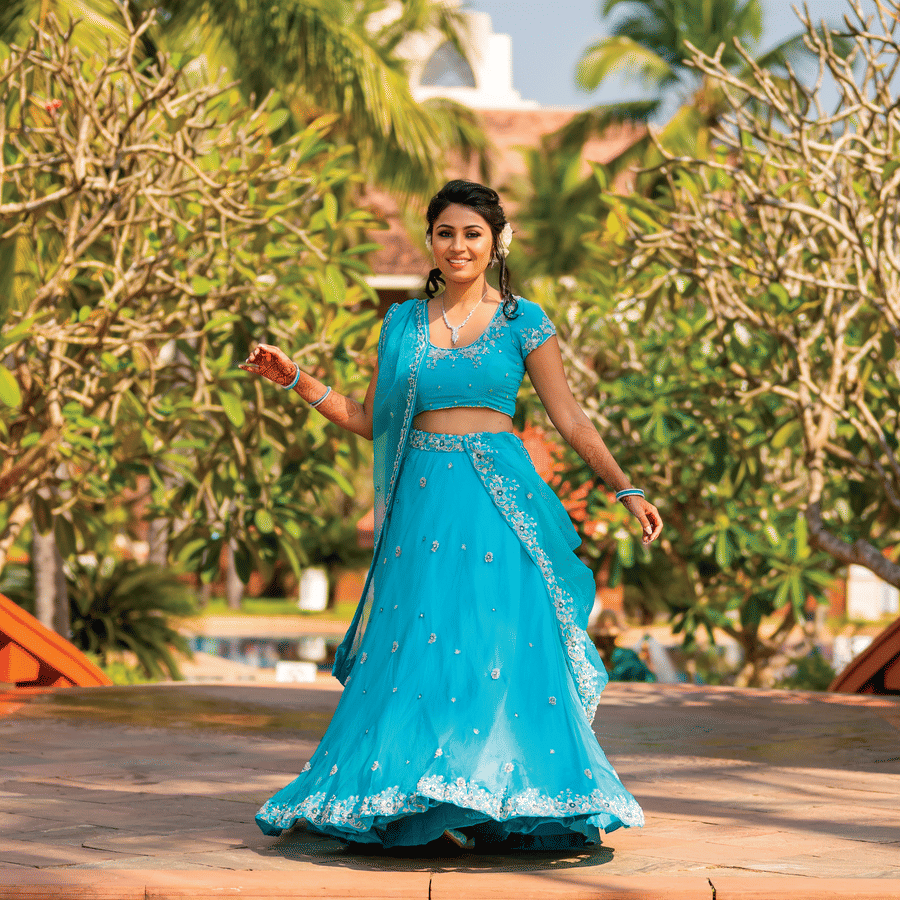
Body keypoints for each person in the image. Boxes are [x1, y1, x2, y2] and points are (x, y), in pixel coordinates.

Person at [241, 180, 662, 851]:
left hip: (500, 502)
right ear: (430, 241)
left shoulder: (525, 321)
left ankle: (493, 802)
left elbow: (571, 417)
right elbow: (368, 420)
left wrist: (624, 487)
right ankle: (417, 799)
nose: (459, 245)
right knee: (423, 650)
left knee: (498, 651)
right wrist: (297, 380)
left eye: (472, 233)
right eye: (446, 232)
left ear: (498, 241)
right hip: (424, 508)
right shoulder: (403, 324)